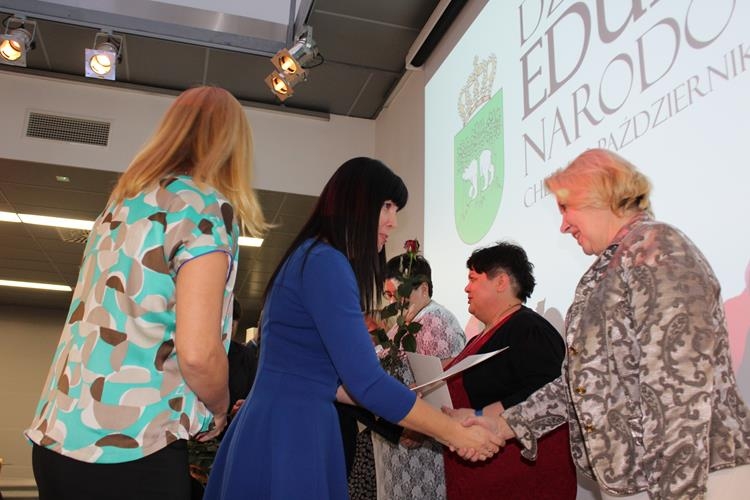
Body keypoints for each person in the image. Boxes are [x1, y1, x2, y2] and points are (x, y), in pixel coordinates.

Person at [204, 157, 503, 500]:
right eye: (387, 206)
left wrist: (418, 410)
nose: (393, 222)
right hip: (294, 431)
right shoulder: (325, 262)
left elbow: (332, 383)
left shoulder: (311, 256)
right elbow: (366, 382)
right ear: (356, 203)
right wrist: (455, 433)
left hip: (285, 424)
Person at [25, 86, 267, 500]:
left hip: (57, 438)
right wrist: (219, 407)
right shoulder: (204, 206)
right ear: (232, 146)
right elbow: (198, 353)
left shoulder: (118, 207)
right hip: (130, 447)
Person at [470, 149, 750, 499]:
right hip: (639, 481)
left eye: (565, 208)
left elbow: (680, 388)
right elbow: (580, 384)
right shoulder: (611, 266)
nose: (563, 225)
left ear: (600, 195)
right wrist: (503, 425)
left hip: (690, 480)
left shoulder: (657, 249)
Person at [441, 242, 576, 499]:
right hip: (478, 471)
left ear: (501, 281)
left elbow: (547, 394)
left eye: (473, 279)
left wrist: (480, 415)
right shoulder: (481, 336)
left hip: (521, 478)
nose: (466, 288)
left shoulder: (530, 329)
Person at [372, 253, 466, 500]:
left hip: (418, 443)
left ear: (423, 289)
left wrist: (419, 429)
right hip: (400, 441)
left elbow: (439, 385)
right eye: (389, 295)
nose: (393, 302)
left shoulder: (434, 320)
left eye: (399, 294)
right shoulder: (404, 322)